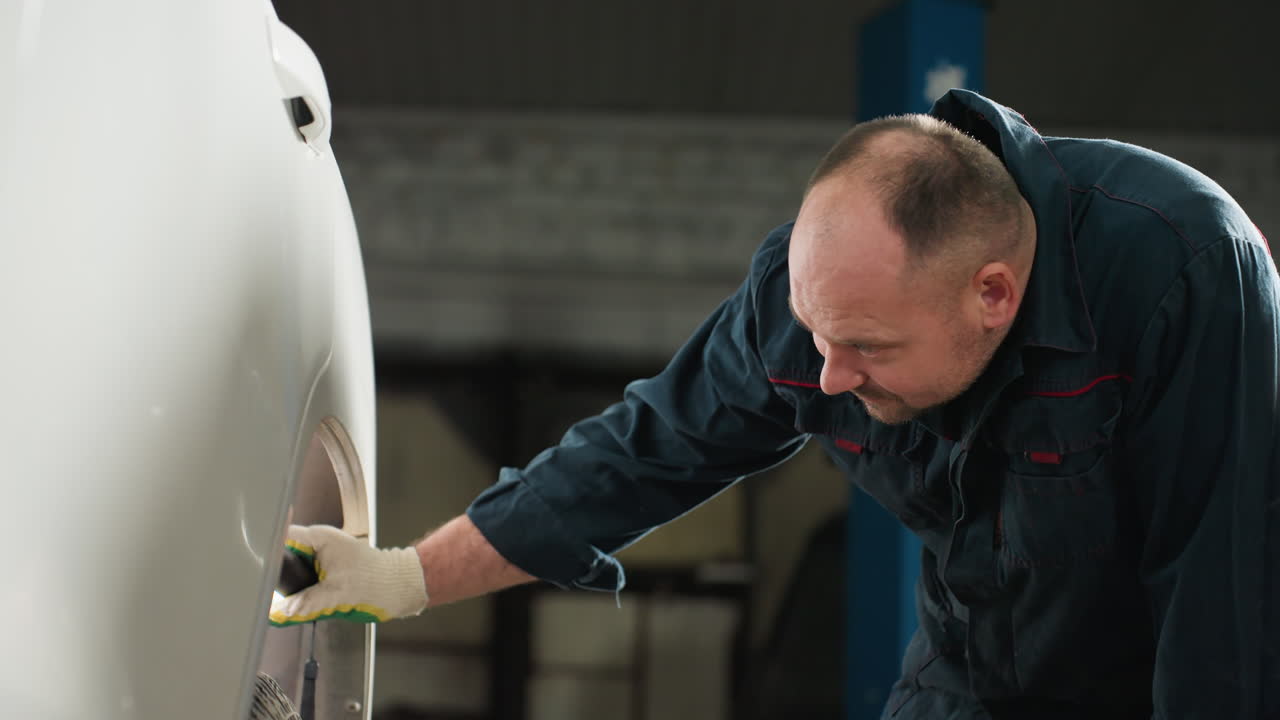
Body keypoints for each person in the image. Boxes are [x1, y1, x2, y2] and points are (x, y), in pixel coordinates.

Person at [270, 90, 1279, 719]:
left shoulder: (1180, 275)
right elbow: (629, 459)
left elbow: (1218, 612)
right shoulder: (809, 311)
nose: (828, 377)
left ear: (991, 297)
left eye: (868, 349)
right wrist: (403, 577)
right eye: (815, 334)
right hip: (969, 681)